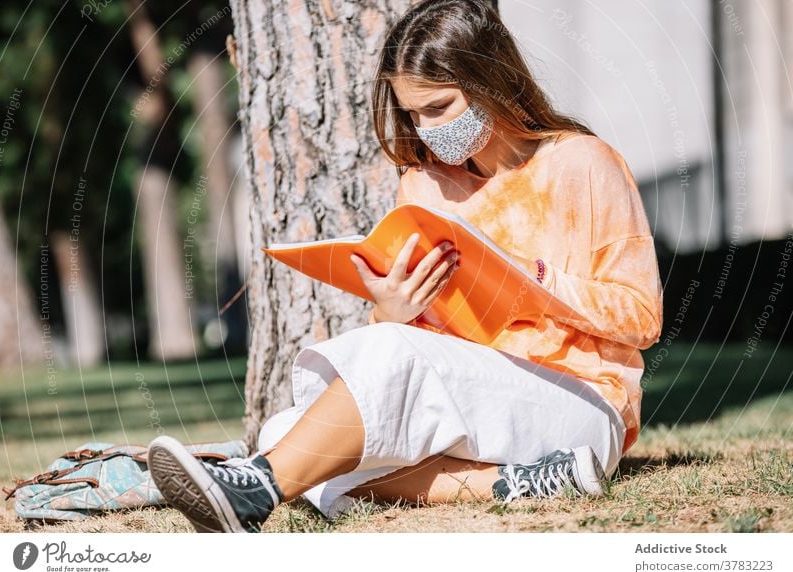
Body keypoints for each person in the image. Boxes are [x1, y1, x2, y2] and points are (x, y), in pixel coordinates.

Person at [147, 0, 663, 533]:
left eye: (439, 107)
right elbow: (422, 356)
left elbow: (642, 319)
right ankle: (514, 483)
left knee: (306, 450)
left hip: (578, 401)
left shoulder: (582, 162)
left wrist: (533, 278)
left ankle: (255, 491)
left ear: (492, 81)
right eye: (413, 114)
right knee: (284, 431)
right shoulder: (424, 186)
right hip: (475, 401)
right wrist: (390, 312)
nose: (427, 129)